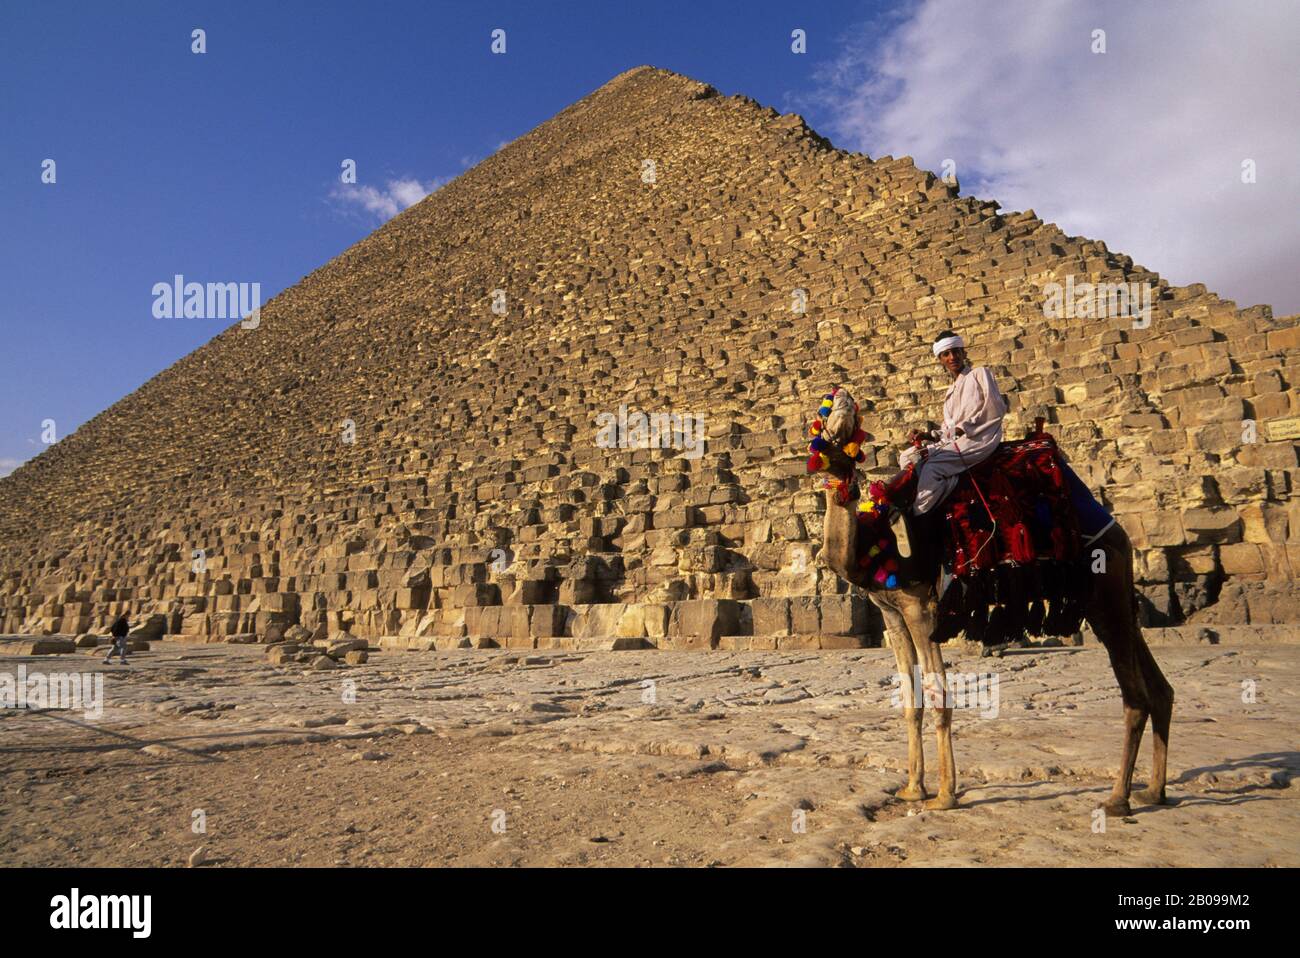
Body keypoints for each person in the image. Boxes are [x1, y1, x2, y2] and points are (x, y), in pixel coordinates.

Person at [901, 330, 1008, 517]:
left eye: (956, 351)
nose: (952, 357)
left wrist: (964, 427)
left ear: (963, 352)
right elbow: (948, 430)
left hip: (979, 437)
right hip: (955, 441)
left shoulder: (979, 374)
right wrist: (928, 435)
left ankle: (919, 516)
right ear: (940, 359)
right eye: (946, 354)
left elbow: (995, 408)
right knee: (908, 456)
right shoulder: (950, 393)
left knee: (932, 469)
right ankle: (910, 499)